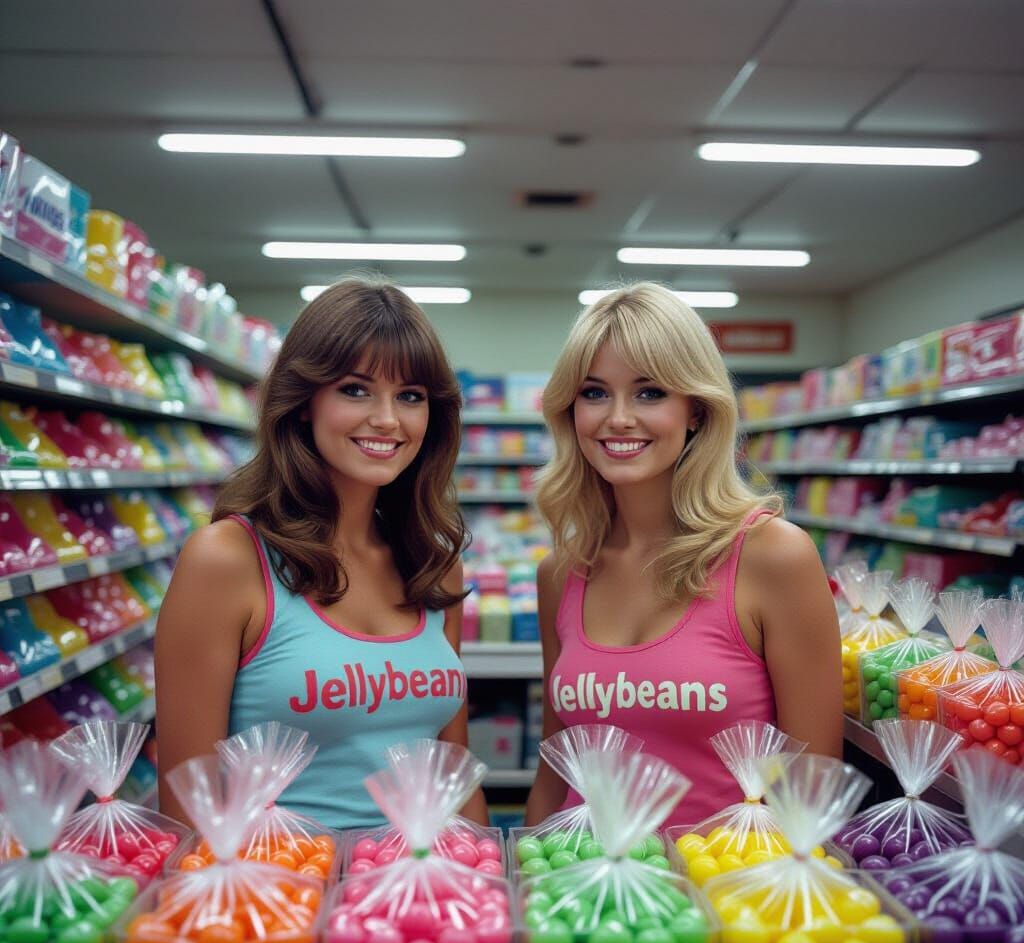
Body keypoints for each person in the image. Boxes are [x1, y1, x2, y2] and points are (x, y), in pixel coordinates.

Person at [155, 276, 487, 829]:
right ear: (304, 402)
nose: (387, 419)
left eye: (410, 396)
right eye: (356, 389)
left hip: (419, 900)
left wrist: (480, 886)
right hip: (281, 901)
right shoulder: (227, 560)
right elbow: (189, 810)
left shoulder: (432, 562)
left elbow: (451, 775)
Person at [524, 283, 842, 828]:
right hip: (579, 892)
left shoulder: (773, 556)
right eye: (594, 393)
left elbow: (812, 786)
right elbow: (557, 769)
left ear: (695, 409)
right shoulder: (563, 571)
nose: (618, 418)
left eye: (649, 393)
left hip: (724, 896)